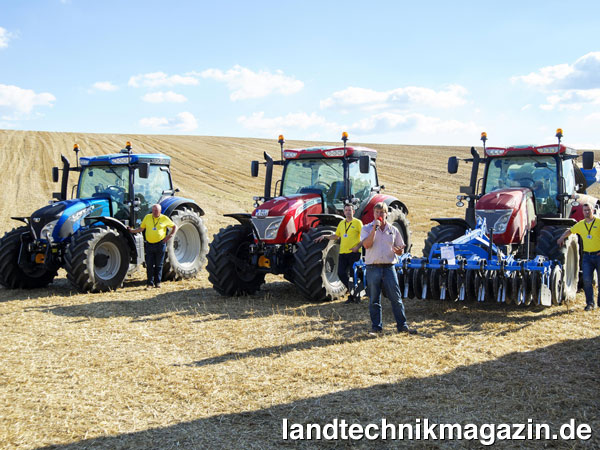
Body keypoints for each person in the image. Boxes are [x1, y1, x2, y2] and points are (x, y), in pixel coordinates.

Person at [360, 202, 416, 334]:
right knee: (374, 299)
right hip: (373, 268)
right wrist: (374, 228)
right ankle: (376, 327)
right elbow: (367, 245)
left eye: (382, 212)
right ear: (374, 214)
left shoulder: (393, 230)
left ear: (386, 214)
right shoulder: (367, 229)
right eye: (377, 213)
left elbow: (400, 249)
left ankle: (402, 326)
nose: (379, 215)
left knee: (396, 298)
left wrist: (398, 252)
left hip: (389, 268)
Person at [315, 203, 362, 303]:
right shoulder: (341, 223)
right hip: (343, 253)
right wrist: (325, 236)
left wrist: (357, 247)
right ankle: (352, 291)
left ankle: (355, 296)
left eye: (350, 210)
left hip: (354, 253)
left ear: (353, 212)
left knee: (353, 275)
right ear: (344, 212)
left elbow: (364, 237)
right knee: (341, 273)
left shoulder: (358, 223)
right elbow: (336, 236)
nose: (348, 212)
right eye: (346, 210)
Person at [557, 202, 600, 311]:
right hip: (587, 257)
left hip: (598, 255)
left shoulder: (599, 222)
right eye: (585, 210)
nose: (587, 212)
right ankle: (590, 304)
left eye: (588, 210)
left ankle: (599, 302)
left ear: (593, 210)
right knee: (586, 280)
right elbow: (570, 230)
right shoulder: (581, 224)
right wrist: (562, 237)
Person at [128, 204, 177, 289]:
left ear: (160, 211)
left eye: (156, 211)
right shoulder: (147, 217)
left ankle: (157, 283)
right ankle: (149, 284)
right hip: (149, 245)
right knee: (149, 265)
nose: (154, 212)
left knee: (159, 265)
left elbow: (174, 226)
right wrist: (132, 231)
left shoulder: (164, 218)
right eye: (153, 210)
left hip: (160, 245)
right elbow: (141, 228)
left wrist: (169, 236)